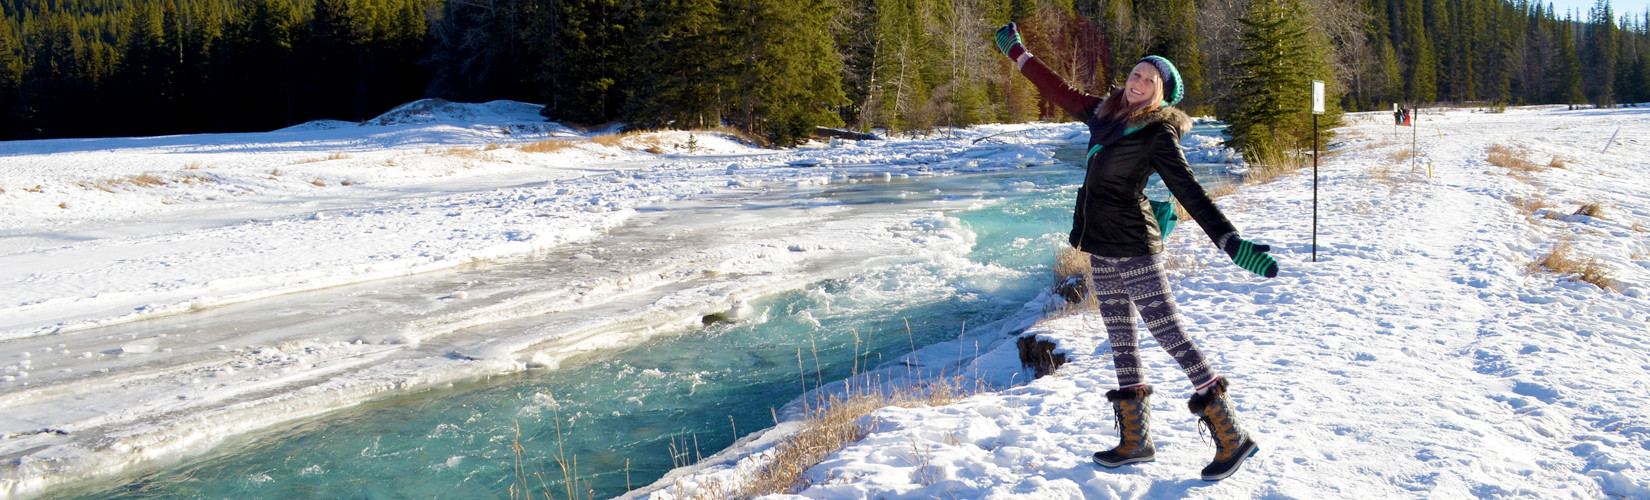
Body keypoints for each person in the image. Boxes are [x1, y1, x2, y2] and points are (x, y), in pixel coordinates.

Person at [994, 22, 1277, 481]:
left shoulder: (1158, 133)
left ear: (1162, 95)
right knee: (1121, 339)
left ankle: (1232, 436)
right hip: (1102, 249)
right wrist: (1020, 56)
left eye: (1150, 79)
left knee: (1170, 334)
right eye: (1136, 73)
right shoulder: (1105, 115)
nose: (1138, 81)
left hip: (1136, 249)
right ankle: (1135, 442)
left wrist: (1229, 241)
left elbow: (1190, 190)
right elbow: (1061, 91)